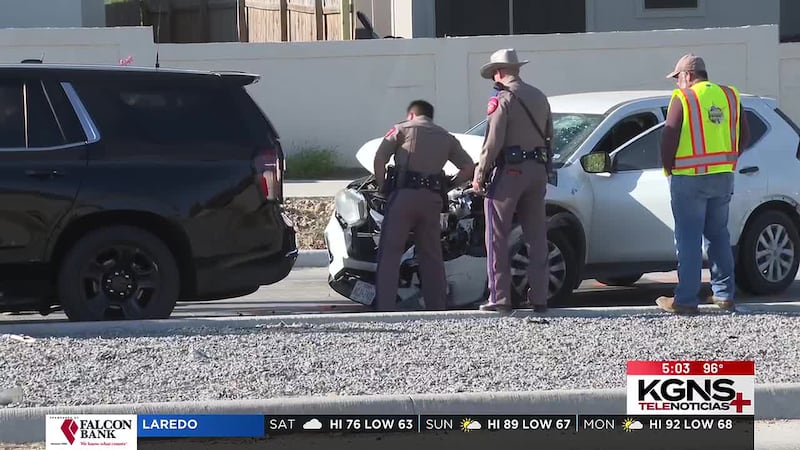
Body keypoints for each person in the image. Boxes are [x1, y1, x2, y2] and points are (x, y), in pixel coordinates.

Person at [656, 53, 750, 314]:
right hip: (722, 176)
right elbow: (745, 135)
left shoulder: (684, 97)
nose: (677, 83)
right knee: (718, 235)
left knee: (688, 238)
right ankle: (724, 295)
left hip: (689, 178)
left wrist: (668, 168)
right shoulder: (730, 95)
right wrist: (730, 159)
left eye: (677, 78)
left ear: (688, 75)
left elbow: (669, 136)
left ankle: (685, 300)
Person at [373, 100, 475, 312]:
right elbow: (467, 167)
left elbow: (379, 158)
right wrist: (448, 185)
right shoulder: (446, 137)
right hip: (432, 200)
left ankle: (385, 306)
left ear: (411, 115)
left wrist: (383, 186)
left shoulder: (402, 129)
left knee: (390, 253)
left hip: (403, 197)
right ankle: (436, 307)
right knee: (431, 255)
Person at [473, 48, 553, 313]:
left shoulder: (502, 99)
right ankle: (540, 296)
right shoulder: (540, 96)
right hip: (537, 170)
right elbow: (549, 135)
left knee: (496, 235)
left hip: (511, 171)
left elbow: (493, 141)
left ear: (498, 72)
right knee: (537, 236)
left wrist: (480, 174)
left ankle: (499, 297)